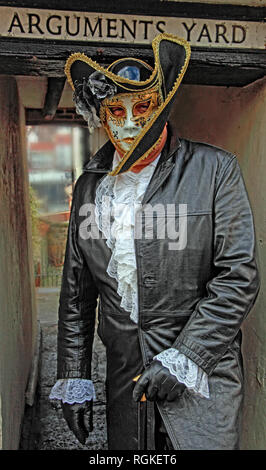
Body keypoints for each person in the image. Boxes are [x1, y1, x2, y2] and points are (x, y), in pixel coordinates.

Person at [49, 33, 260, 450]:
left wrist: (187, 357)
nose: (129, 123)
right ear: (102, 116)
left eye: (143, 107)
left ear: (161, 108)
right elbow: (77, 293)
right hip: (125, 381)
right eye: (116, 110)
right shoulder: (90, 187)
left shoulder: (215, 169)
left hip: (202, 380)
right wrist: (74, 375)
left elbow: (238, 277)